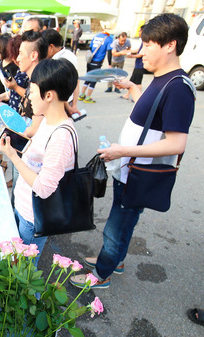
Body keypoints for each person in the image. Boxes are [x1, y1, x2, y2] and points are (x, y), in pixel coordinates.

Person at [70, 14, 196, 289]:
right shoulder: (162, 79)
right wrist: (133, 89)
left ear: (170, 45)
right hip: (129, 168)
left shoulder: (179, 88)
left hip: (138, 171)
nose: (141, 52)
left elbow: (177, 144)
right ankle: (117, 258)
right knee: (122, 218)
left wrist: (122, 151)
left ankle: (102, 273)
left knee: (117, 225)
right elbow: (152, 113)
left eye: (148, 44)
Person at [0, 58, 79, 265]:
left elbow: (43, 188)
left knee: (22, 271)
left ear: (49, 95)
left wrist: (12, 156)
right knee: (16, 267)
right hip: (24, 207)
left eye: (32, 91)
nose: (29, 95)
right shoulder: (46, 121)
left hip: (33, 218)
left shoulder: (61, 136)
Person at [42, 29, 84, 121]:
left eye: (43, 48)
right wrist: (74, 105)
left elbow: (57, 89)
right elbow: (76, 81)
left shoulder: (58, 61)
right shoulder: (70, 54)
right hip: (66, 102)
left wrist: (70, 108)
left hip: (60, 103)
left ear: (51, 47)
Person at [78, 30, 113, 103]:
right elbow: (109, 52)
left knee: (88, 77)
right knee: (94, 80)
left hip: (90, 61)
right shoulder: (109, 39)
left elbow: (90, 48)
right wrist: (110, 64)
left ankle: (82, 95)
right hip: (97, 62)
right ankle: (88, 97)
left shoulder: (96, 36)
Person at [121, 26, 152, 101]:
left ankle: (139, 98)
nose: (139, 32)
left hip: (141, 65)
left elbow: (141, 53)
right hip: (137, 64)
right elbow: (138, 50)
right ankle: (127, 95)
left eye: (140, 31)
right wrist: (129, 51)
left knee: (138, 82)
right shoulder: (143, 41)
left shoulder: (146, 41)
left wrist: (131, 56)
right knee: (132, 81)